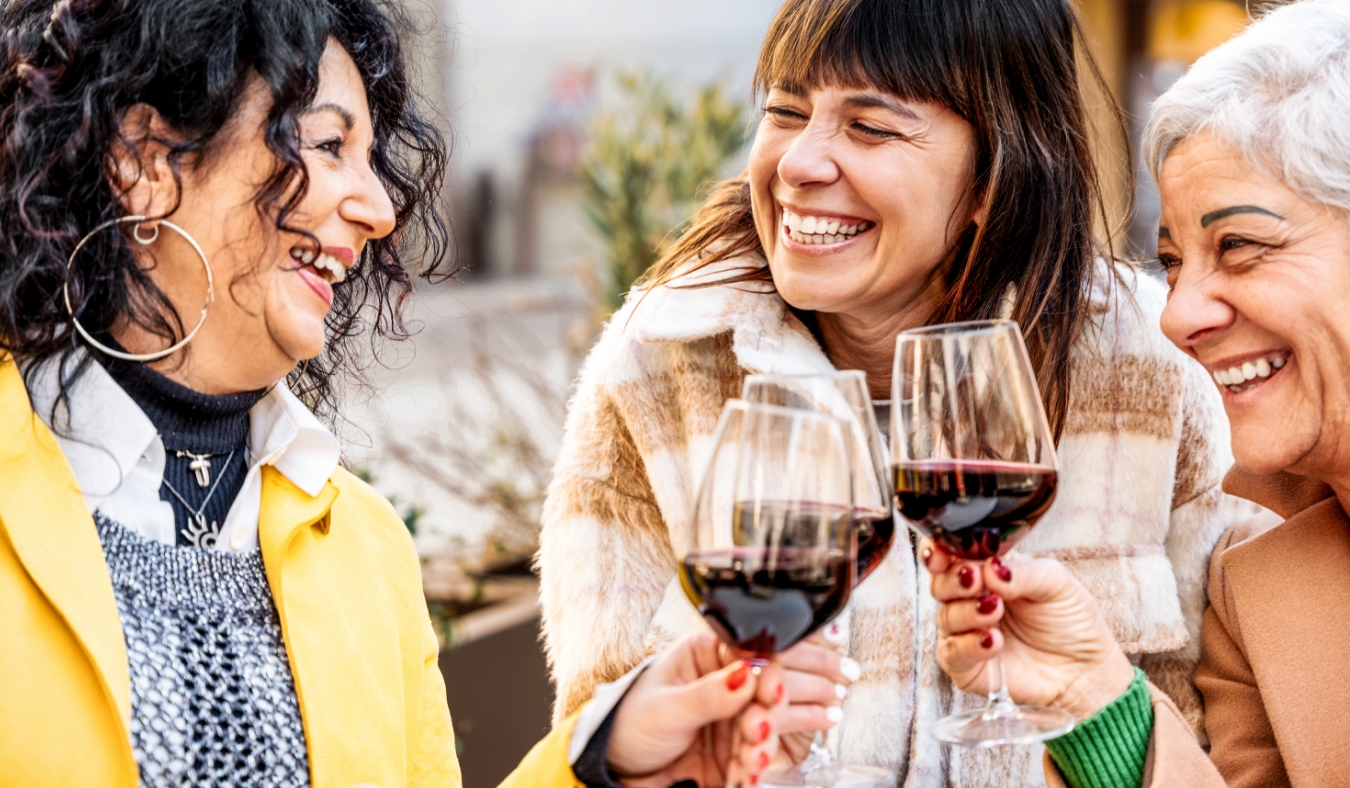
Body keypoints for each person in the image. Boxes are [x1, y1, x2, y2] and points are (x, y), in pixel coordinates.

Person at [0, 1, 785, 786]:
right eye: (330, 143)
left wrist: (603, 763)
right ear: (145, 160)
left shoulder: (365, 547)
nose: (379, 210)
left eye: (369, 157)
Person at [537, 0, 1256, 784]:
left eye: (870, 127)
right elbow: (603, 742)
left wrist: (1097, 715)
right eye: (785, 111)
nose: (798, 164)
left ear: (994, 175)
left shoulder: (1160, 360)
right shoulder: (655, 369)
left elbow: (1245, 752)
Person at [929, 1, 1350, 786]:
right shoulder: (1255, 591)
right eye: (1174, 262)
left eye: (1241, 245)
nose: (1179, 315)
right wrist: (1094, 700)